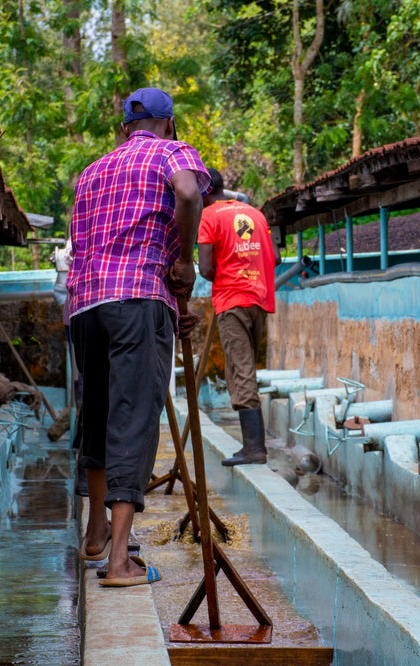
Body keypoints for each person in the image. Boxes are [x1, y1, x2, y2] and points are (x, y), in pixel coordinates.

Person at [66, 87, 209, 586]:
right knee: (133, 417)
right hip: (137, 297)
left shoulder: (91, 172)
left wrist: (170, 311)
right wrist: (186, 262)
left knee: (100, 413)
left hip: (85, 304)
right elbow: (189, 194)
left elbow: (81, 245)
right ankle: (121, 562)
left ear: (126, 126)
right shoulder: (173, 152)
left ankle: (96, 533)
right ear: (167, 122)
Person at [197, 167, 280, 466]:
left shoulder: (209, 217)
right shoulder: (254, 213)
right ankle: (253, 445)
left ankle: (254, 449)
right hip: (259, 298)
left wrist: (227, 266)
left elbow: (206, 269)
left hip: (232, 301)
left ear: (202, 191)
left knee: (241, 370)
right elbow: (277, 257)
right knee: (244, 370)